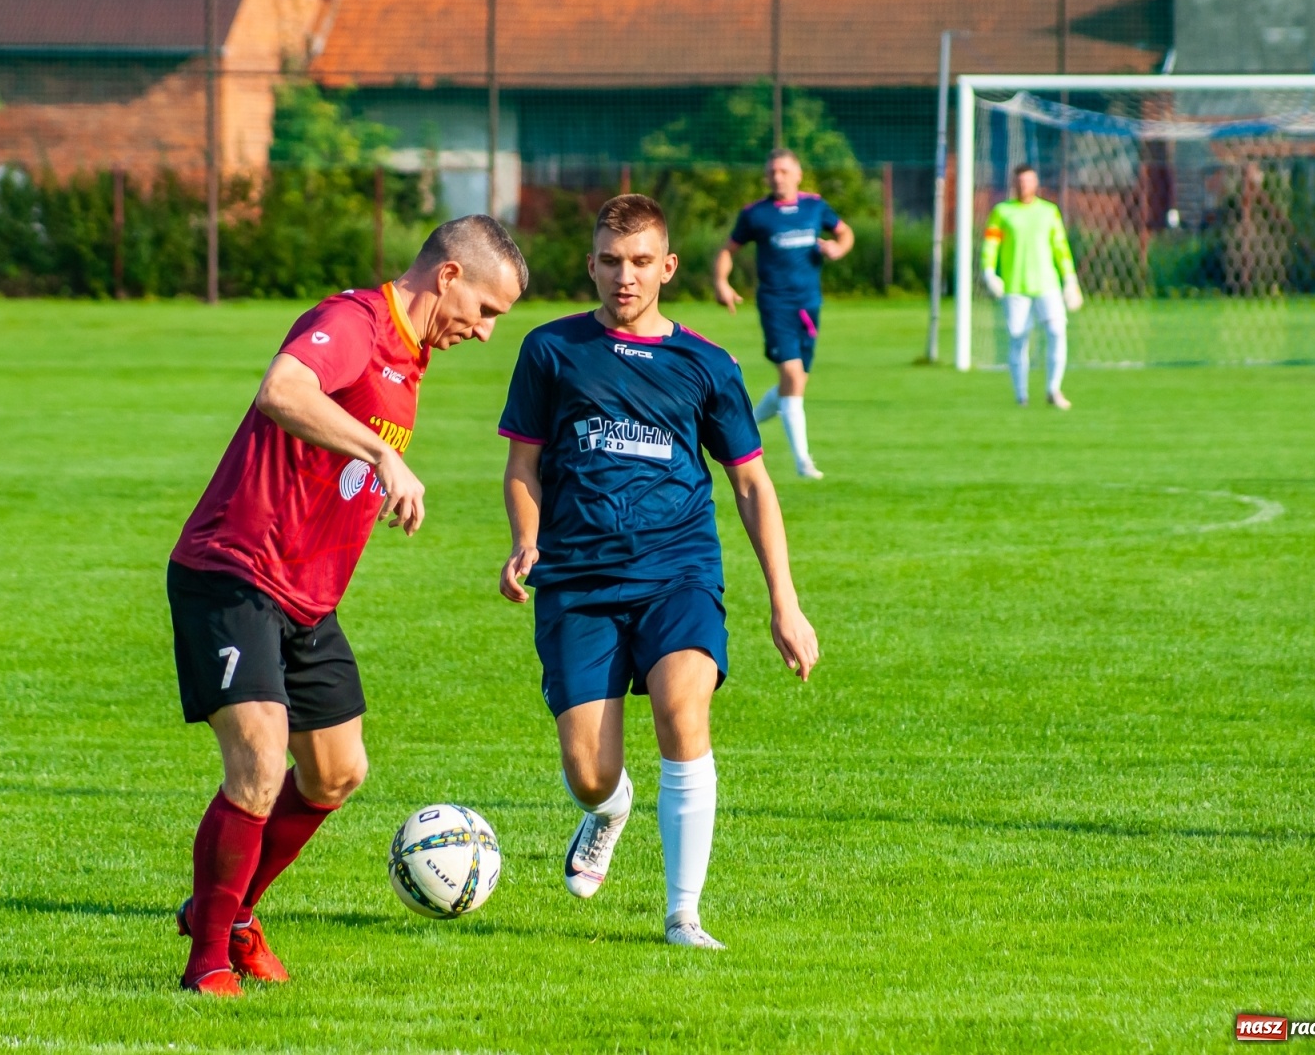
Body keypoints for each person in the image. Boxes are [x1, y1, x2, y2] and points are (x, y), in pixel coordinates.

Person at [168, 216, 527, 997]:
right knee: (260, 763)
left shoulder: (415, 354)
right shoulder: (355, 321)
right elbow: (282, 390)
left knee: (335, 774)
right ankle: (208, 963)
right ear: (449, 278)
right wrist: (382, 452)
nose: (487, 331)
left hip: (308, 594)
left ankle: (226, 910)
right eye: (488, 311)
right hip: (234, 569)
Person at [499, 195, 819, 950]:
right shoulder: (551, 351)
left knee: (683, 709)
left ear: (668, 267)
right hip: (577, 580)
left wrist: (786, 603)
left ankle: (683, 915)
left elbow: (750, 484)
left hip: (678, 572)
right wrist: (525, 540)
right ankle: (609, 811)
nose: (625, 277)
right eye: (610, 261)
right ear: (590, 265)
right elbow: (522, 467)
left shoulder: (707, 365)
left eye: (641, 261)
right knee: (587, 771)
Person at [712, 148, 854, 480]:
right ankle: (803, 461)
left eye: (784, 171)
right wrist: (721, 281)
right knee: (791, 376)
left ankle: (742, 422)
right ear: (766, 177)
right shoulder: (756, 215)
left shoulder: (815, 206)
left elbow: (845, 232)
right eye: (772, 172)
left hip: (810, 305)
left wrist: (838, 247)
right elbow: (726, 250)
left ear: (798, 174)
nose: (778, 177)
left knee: (795, 382)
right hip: (776, 304)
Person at [981, 163, 1082, 409]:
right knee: (1018, 337)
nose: (1024, 185)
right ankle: (1021, 395)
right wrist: (988, 271)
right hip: (1015, 286)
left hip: (1047, 284)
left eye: (1028, 181)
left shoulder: (1049, 212)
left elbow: (1060, 247)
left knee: (1057, 332)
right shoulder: (1002, 212)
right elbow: (991, 245)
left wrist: (1069, 279)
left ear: (1036, 184)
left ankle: (1053, 389)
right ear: (1014, 184)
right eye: (1020, 181)